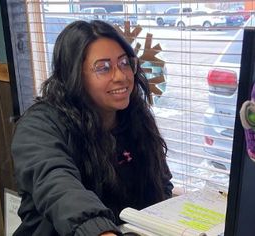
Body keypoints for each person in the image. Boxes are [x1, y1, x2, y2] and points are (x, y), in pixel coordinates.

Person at [11, 20, 173, 236]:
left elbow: (161, 185)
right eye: (103, 68)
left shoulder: (135, 117)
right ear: (74, 75)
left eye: (124, 63)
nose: (121, 76)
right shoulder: (40, 126)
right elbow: (59, 187)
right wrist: (101, 230)